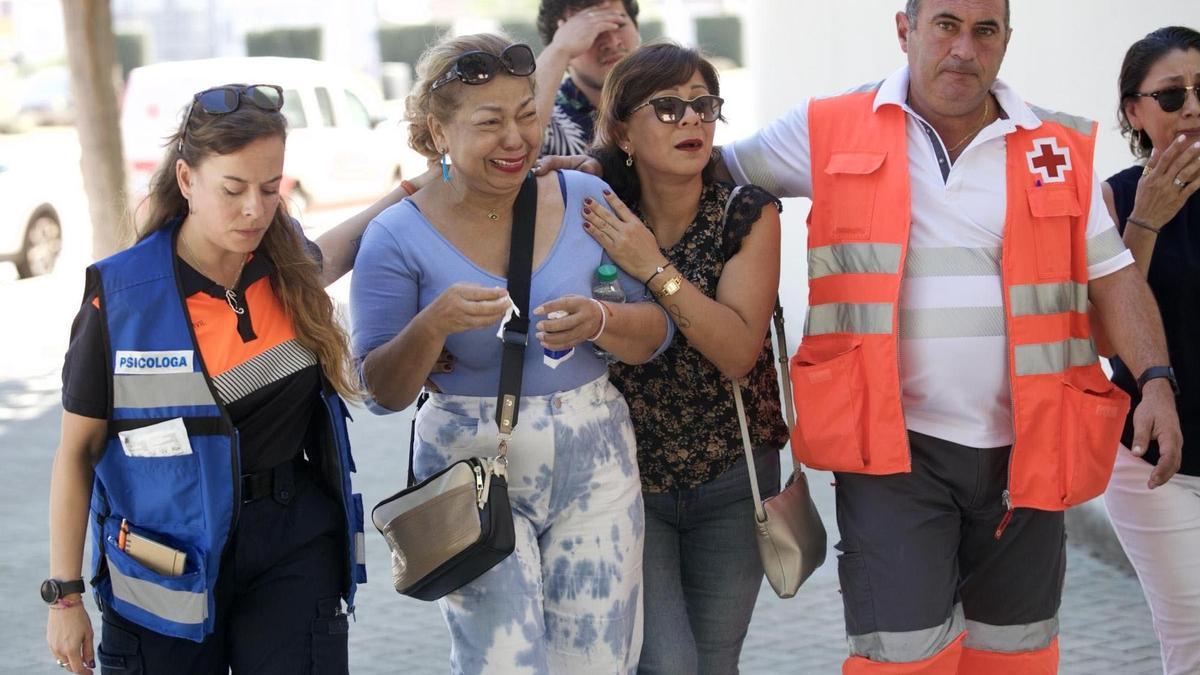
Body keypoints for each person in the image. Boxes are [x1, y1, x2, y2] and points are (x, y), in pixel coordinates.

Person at [707, 1, 1186, 671]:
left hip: (1029, 451)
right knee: (901, 658)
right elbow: (706, 169)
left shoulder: (1053, 145)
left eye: (984, 30)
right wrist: (587, 173)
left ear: (1006, 42)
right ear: (905, 31)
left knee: (1015, 655)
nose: (965, 47)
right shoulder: (829, 127)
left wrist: (1156, 380)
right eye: (946, 25)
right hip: (892, 454)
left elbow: (1116, 279)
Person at [350, 34, 672, 672]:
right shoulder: (394, 235)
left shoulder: (585, 200)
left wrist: (601, 320)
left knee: (600, 662)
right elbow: (380, 392)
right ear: (438, 133)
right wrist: (432, 325)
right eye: (489, 122)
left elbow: (655, 334)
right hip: (468, 465)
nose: (516, 138)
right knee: (502, 663)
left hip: (597, 456)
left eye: (527, 114)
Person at [44, 84, 366, 674]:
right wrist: (64, 596)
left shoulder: (288, 265)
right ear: (187, 180)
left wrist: (415, 190)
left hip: (292, 544)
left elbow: (336, 250)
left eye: (271, 189)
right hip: (163, 562)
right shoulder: (120, 300)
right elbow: (77, 454)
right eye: (233, 189)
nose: (254, 209)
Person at [579, 41, 788, 673]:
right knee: (666, 663)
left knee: (713, 664)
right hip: (624, 480)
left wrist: (654, 268)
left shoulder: (746, 214)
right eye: (667, 107)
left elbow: (737, 352)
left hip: (733, 477)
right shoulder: (593, 216)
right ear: (623, 131)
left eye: (704, 105)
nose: (692, 120)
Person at [1099, 26, 1200, 675]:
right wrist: (1149, 218)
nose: (1193, 105)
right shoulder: (1112, 197)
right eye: (1172, 95)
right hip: (1151, 459)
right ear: (1134, 110)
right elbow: (1106, 332)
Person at [535, 0, 642, 156]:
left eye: (618, 24)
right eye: (588, 30)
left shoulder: (671, 99)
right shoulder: (548, 119)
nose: (612, 42)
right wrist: (559, 50)